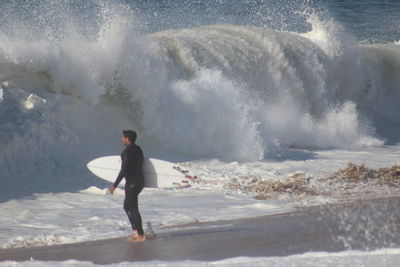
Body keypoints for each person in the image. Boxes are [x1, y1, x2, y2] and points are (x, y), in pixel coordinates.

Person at [109, 130, 146, 242]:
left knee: (133, 208)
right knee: (127, 206)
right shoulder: (139, 150)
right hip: (140, 182)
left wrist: (114, 186)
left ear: (127, 139)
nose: (122, 140)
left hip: (131, 183)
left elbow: (123, 170)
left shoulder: (126, 152)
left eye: (123, 138)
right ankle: (136, 231)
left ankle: (140, 234)